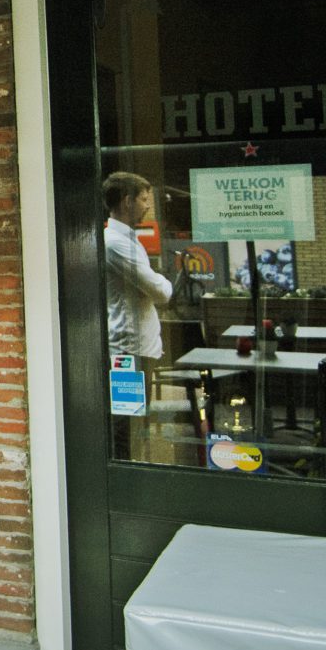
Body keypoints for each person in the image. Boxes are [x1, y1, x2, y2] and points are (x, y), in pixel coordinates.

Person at [104, 172, 180, 463]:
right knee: (127, 427)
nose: (148, 206)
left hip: (138, 348)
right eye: (145, 199)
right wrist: (163, 282)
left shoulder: (125, 239)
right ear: (127, 201)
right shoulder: (115, 243)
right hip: (129, 351)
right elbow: (160, 291)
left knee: (136, 425)